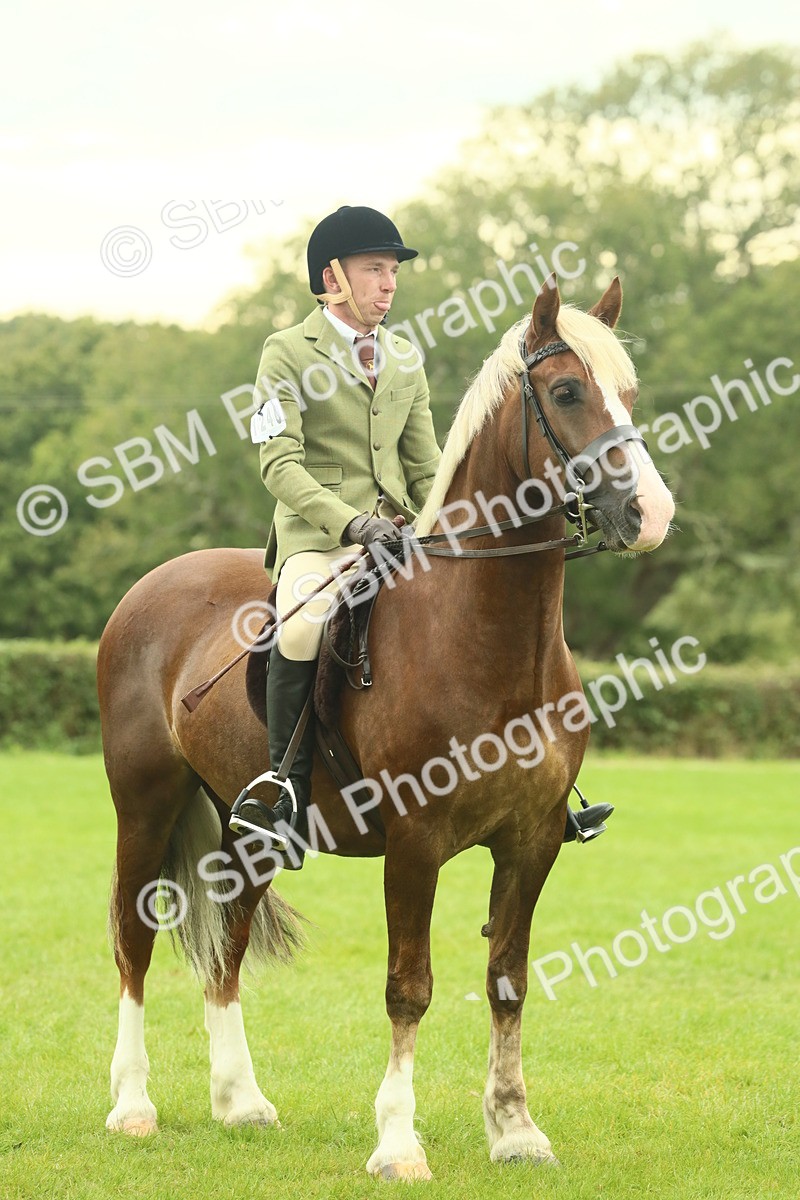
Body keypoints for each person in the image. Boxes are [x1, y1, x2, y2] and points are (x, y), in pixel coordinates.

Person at [229, 205, 612, 867]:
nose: (388, 284)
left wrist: (462, 527)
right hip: (322, 540)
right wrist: (350, 522)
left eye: (392, 272)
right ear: (333, 278)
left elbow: (428, 465)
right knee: (300, 624)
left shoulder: (403, 357)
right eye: (374, 269)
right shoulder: (286, 354)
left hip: (403, 535)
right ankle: (284, 793)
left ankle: (550, 785)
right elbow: (279, 463)